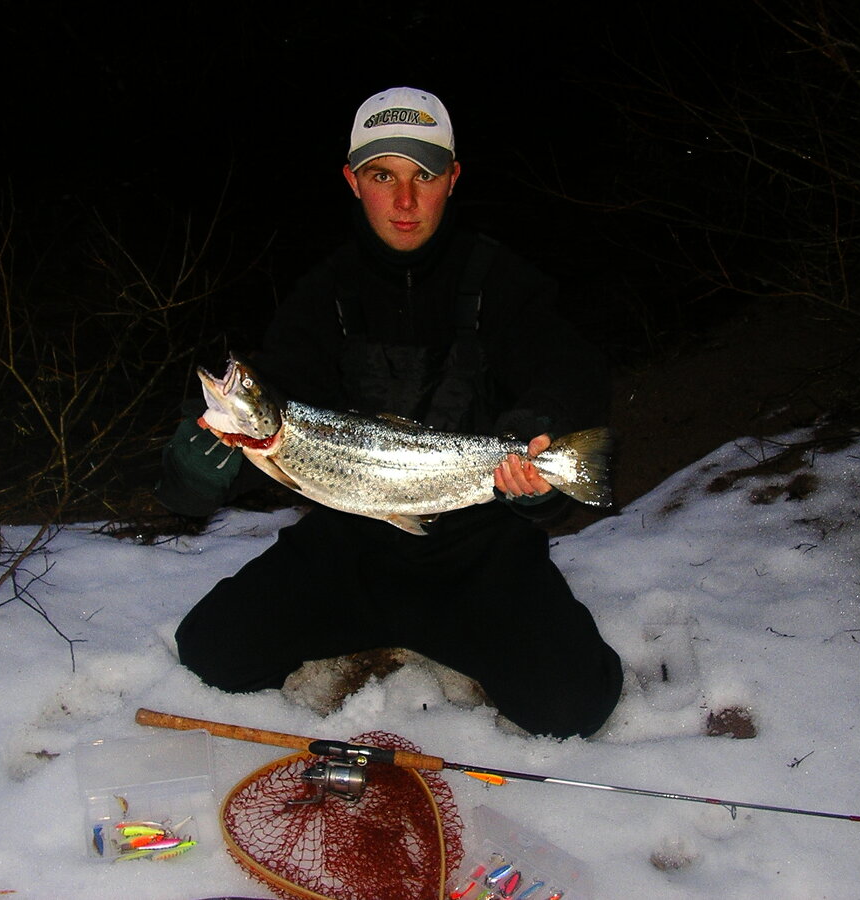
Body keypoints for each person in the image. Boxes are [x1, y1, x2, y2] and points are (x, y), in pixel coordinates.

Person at [155, 87, 623, 738]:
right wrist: (197, 470)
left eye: (422, 176)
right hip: (351, 547)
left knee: (575, 704)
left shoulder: (503, 282)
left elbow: (570, 371)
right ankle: (381, 623)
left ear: (452, 178)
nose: (404, 201)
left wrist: (536, 441)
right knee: (211, 651)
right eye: (383, 177)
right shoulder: (322, 294)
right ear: (353, 181)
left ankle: (457, 628)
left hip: (479, 554)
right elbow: (278, 390)